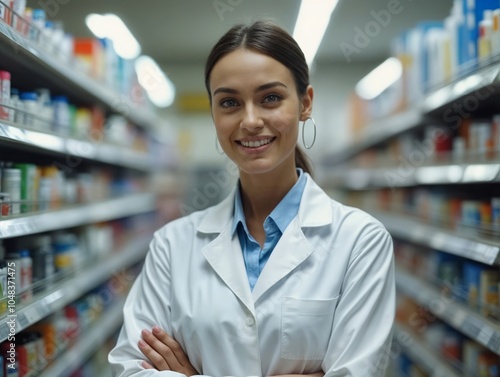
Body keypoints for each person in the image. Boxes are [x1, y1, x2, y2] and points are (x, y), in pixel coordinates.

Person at [108, 20, 395, 377]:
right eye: (229, 102)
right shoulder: (172, 244)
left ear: (305, 103)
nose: (250, 120)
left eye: (270, 98)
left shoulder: (360, 240)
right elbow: (130, 369)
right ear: (214, 114)